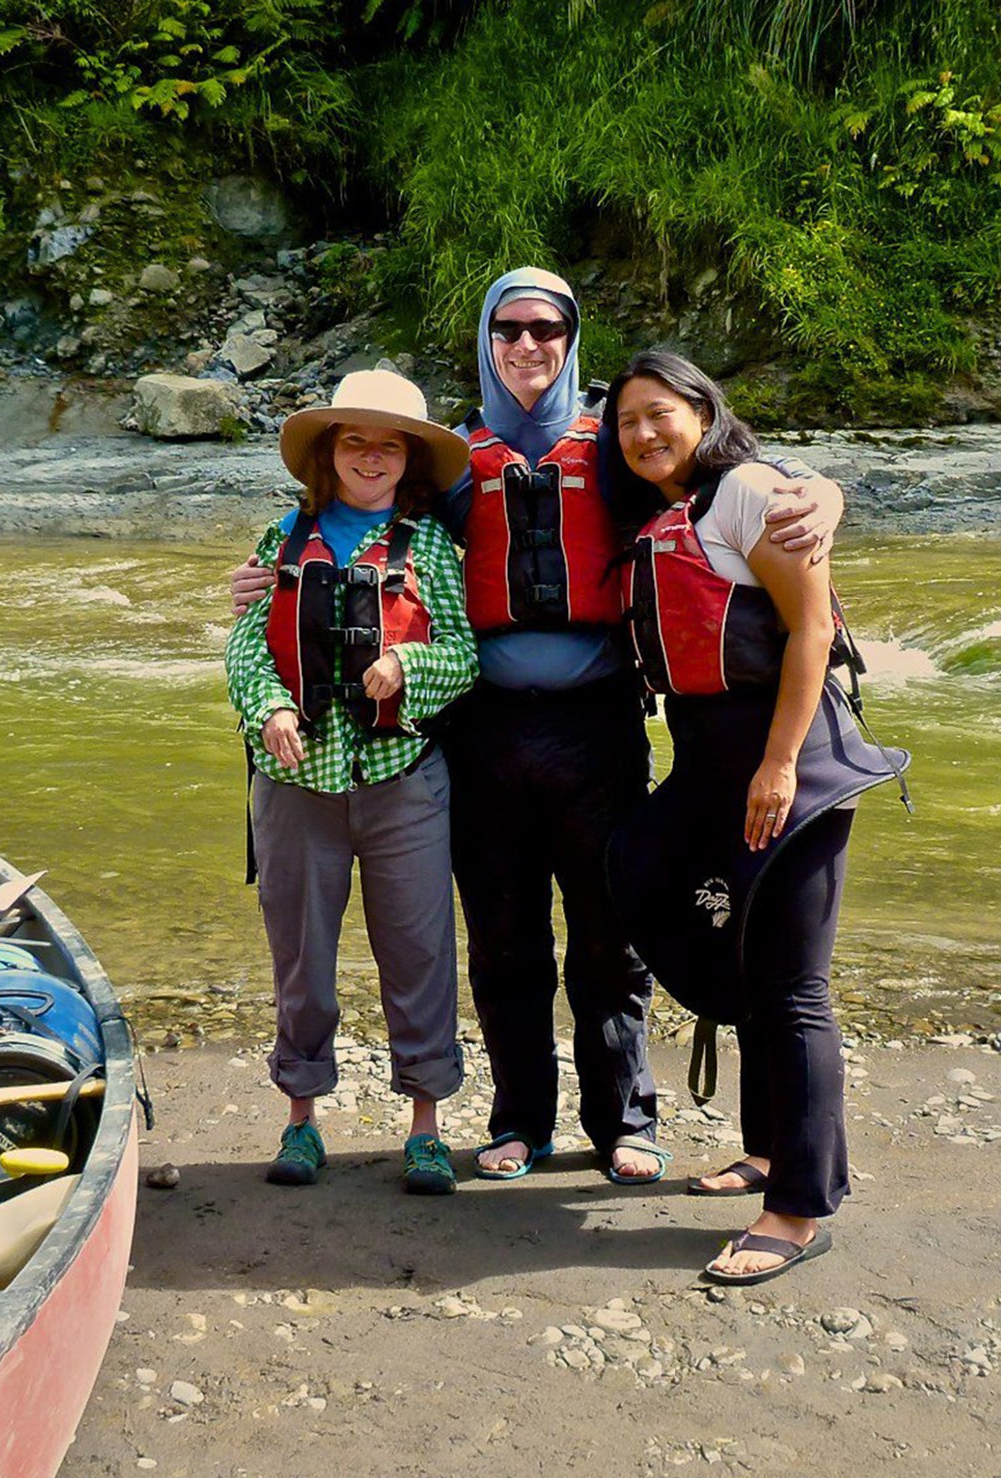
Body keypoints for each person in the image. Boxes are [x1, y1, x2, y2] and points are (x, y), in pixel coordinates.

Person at [233, 267, 846, 1186]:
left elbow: (726, 475)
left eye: (547, 328)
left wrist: (823, 490)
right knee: (504, 934)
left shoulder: (618, 444)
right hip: (478, 733)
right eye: (508, 329)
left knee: (610, 930)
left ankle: (623, 1121)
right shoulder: (452, 464)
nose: (528, 345)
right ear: (486, 340)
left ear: (571, 337)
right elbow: (355, 531)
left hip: (597, 725)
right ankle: (520, 1119)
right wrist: (258, 583)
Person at [601, 349, 909, 1281]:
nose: (645, 434)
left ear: (703, 411)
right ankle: (769, 1148)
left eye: (661, 414)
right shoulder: (675, 514)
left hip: (794, 758)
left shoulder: (747, 491)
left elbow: (811, 626)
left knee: (793, 985)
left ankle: (798, 1207)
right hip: (711, 761)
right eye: (627, 424)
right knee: (658, 884)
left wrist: (779, 766)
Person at [225, 368, 478, 1195]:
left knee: (420, 951)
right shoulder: (276, 542)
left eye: (390, 445)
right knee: (301, 959)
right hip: (295, 785)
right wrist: (269, 709)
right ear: (328, 455)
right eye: (355, 441)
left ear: (409, 462)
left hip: (403, 779)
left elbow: (465, 657)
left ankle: (427, 1128)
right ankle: (301, 1121)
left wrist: (407, 663)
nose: (371, 457)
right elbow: (247, 648)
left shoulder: (432, 548)